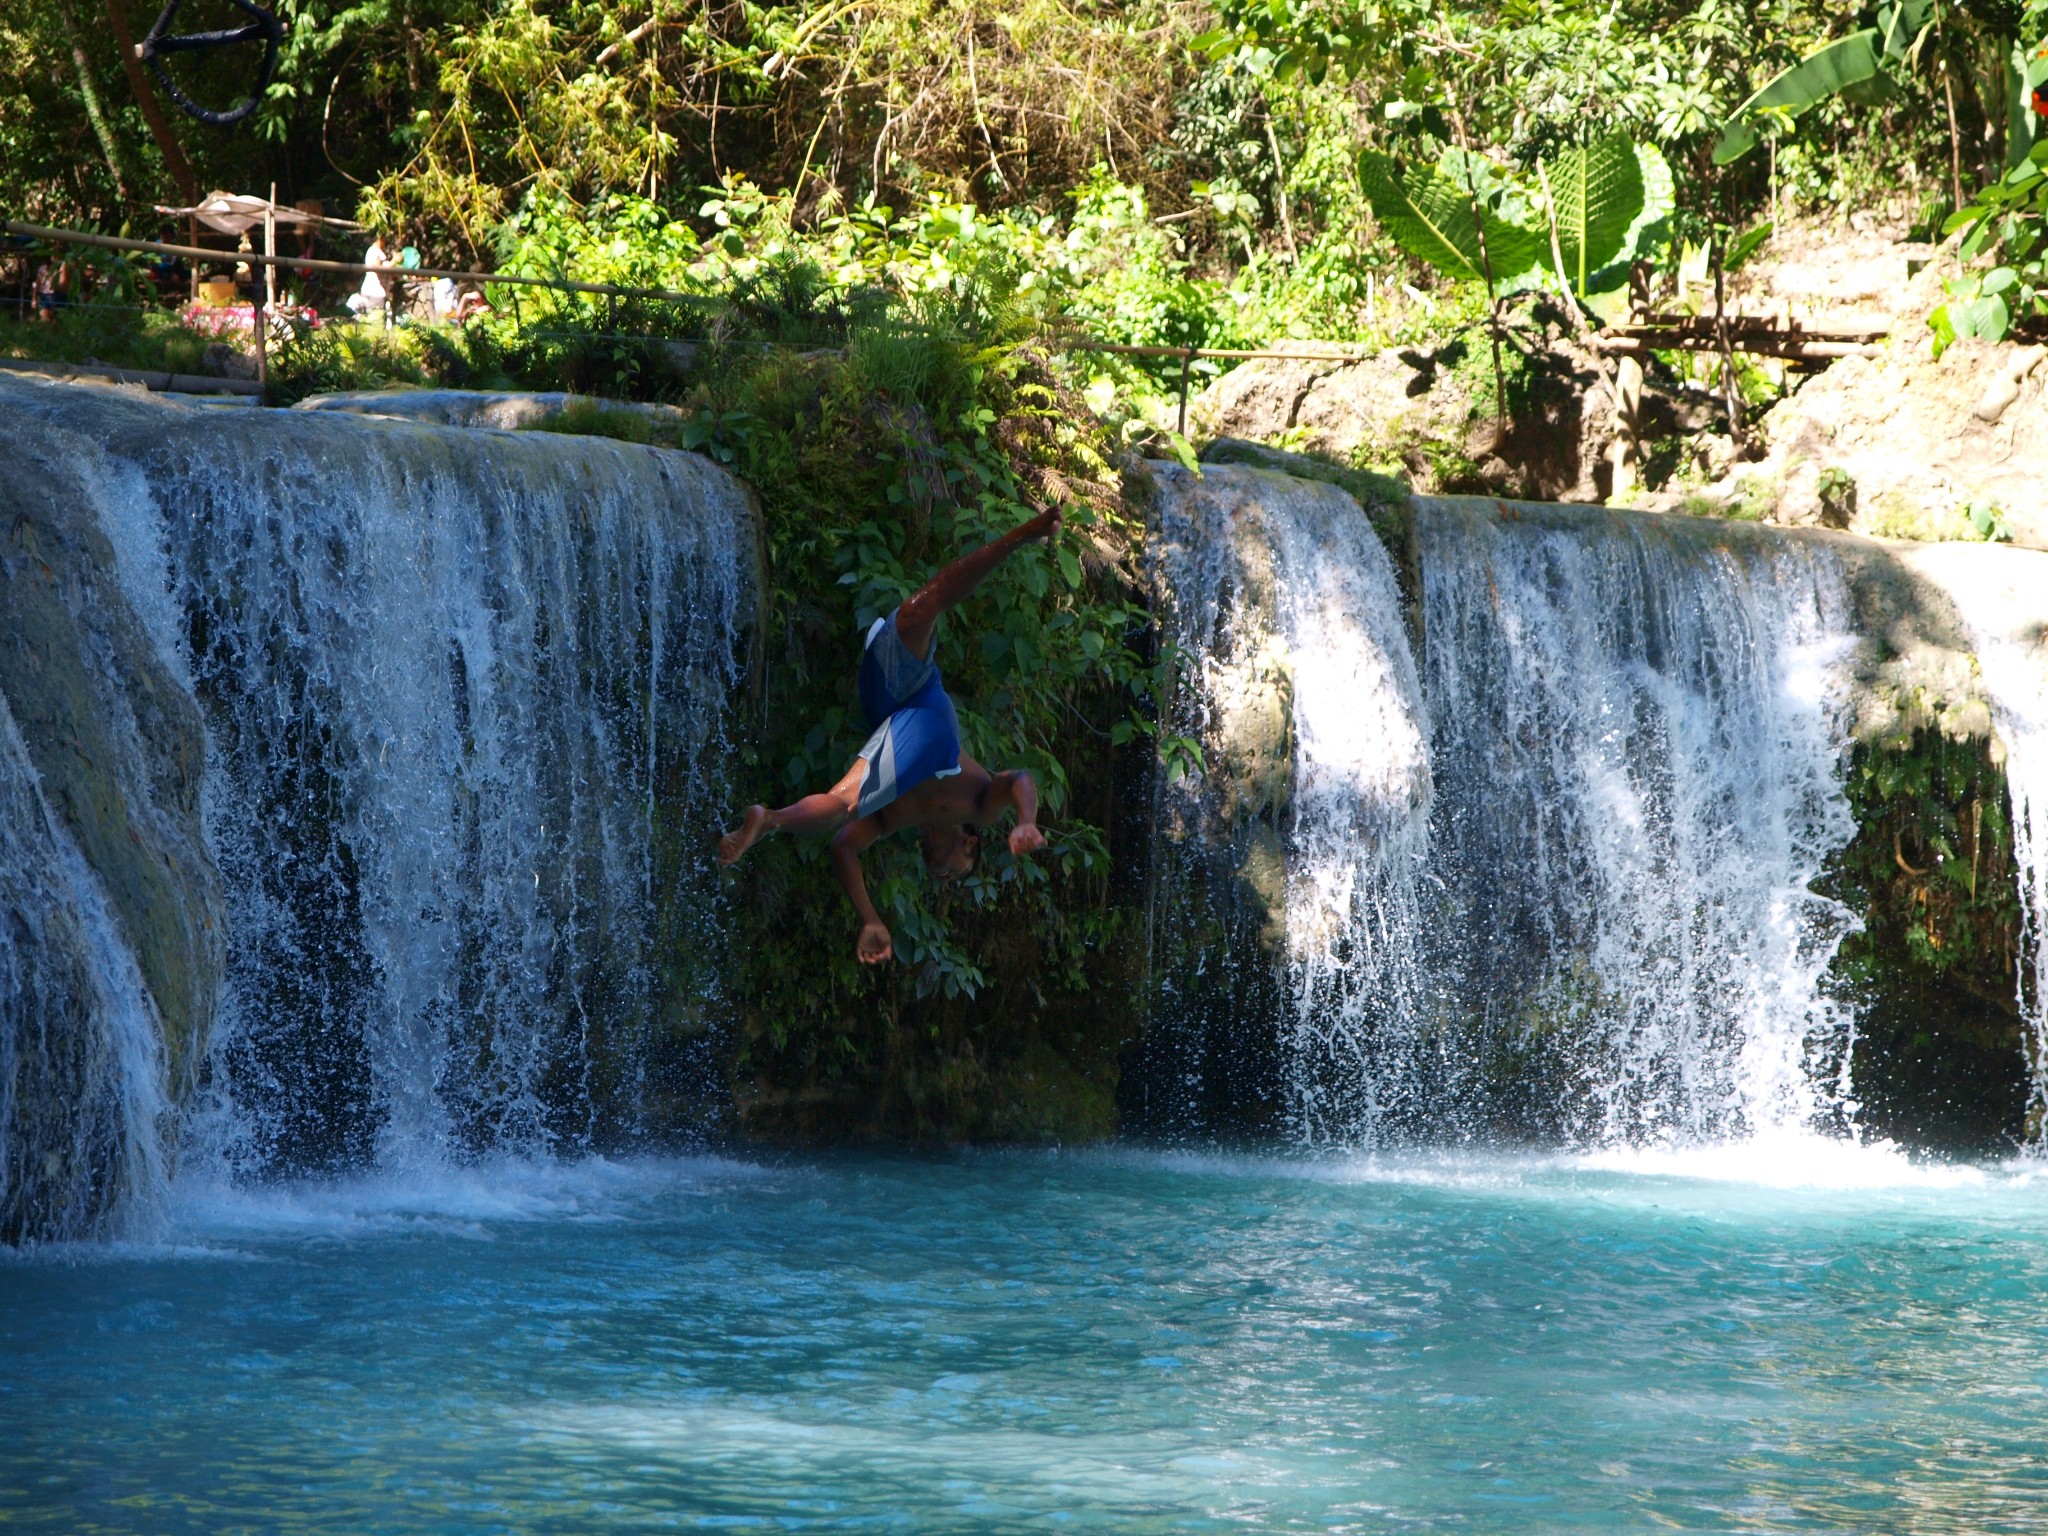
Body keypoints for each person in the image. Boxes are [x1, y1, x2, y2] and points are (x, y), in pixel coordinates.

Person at [717, 506, 1063, 964]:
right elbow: (1019, 778)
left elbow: (844, 847)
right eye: (952, 874)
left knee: (844, 805)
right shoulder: (977, 808)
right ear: (969, 845)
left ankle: (772, 820)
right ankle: (1022, 535)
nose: (940, 872)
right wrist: (1025, 821)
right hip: (928, 716)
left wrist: (870, 918)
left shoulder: (895, 818)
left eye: (940, 879)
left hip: (885, 702)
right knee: (927, 604)